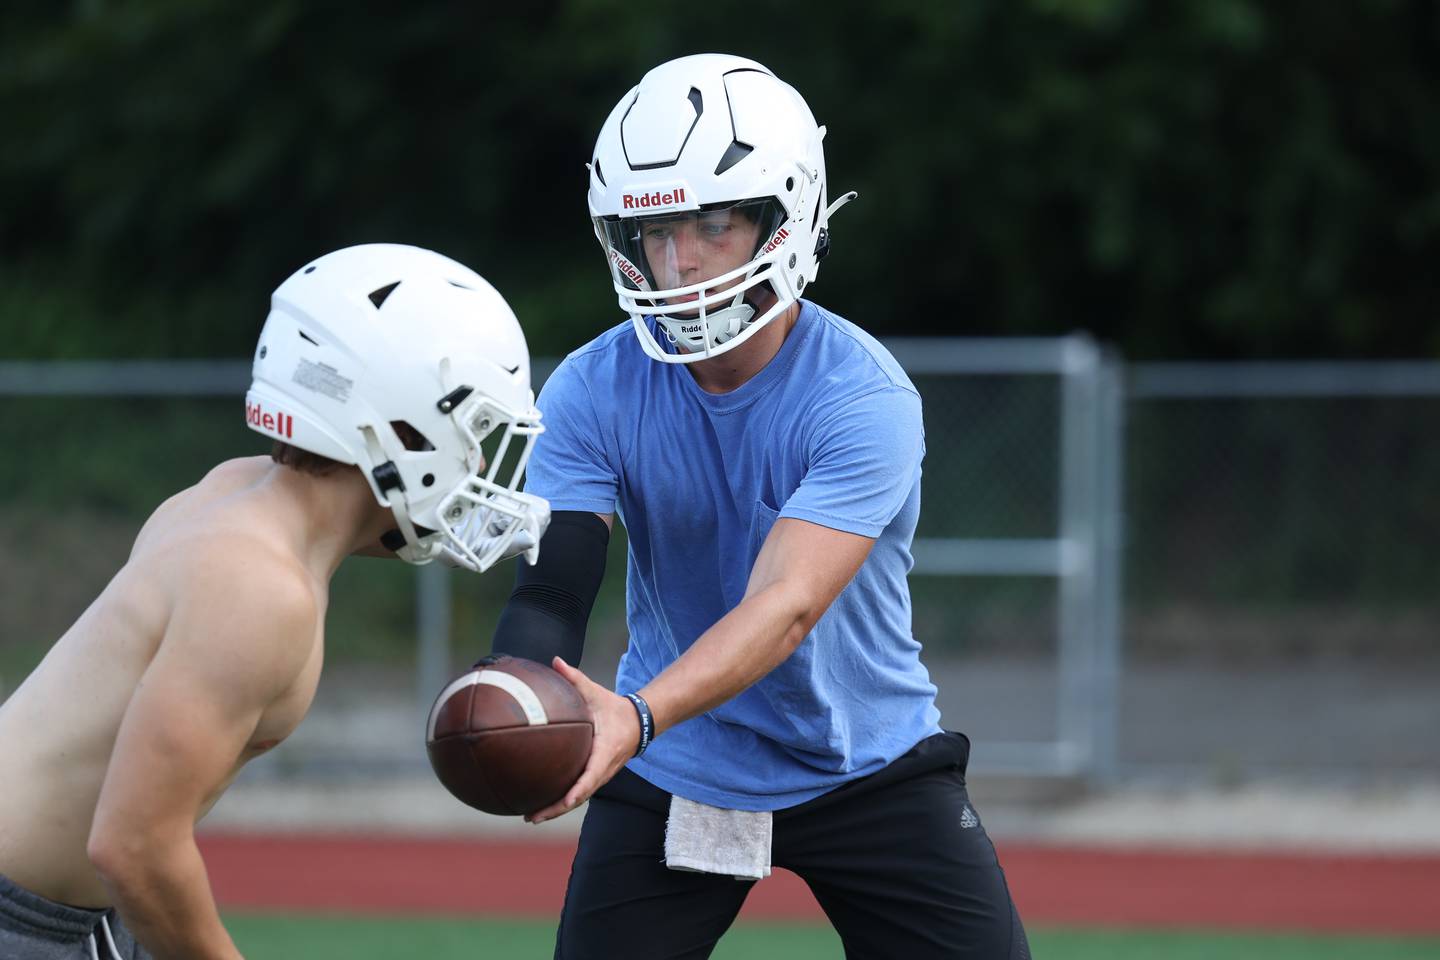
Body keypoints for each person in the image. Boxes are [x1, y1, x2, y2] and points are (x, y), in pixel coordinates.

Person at [486, 54, 1031, 959]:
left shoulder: (864, 397)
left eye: (714, 222)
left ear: (789, 217)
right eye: (654, 231)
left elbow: (785, 607)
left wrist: (636, 715)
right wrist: (512, 696)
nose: (679, 260)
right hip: (678, 763)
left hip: (862, 762)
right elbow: (553, 591)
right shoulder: (590, 386)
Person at [0, 243, 548, 960]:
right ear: (400, 428)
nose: (476, 467)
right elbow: (134, 847)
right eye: (470, 433)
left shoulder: (232, 492)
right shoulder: (262, 588)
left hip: (62, 911)